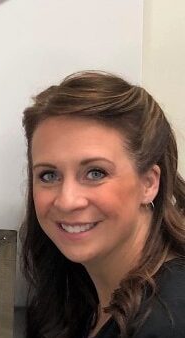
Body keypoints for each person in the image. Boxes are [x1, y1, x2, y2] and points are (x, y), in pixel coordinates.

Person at [20, 71, 185, 338]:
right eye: (49, 175)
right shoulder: (78, 296)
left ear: (149, 183)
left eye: (96, 173)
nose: (67, 200)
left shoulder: (169, 319)